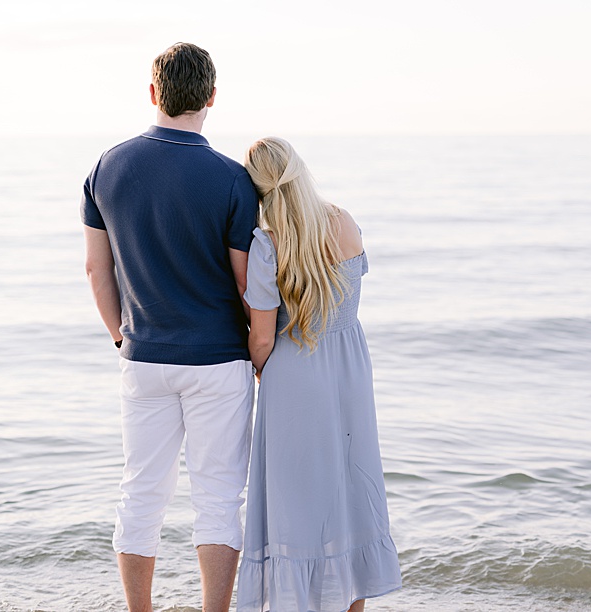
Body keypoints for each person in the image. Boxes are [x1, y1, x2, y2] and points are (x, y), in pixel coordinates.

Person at [82, 42, 258, 612]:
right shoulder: (233, 179)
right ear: (212, 97)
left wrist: (121, 336)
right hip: (220, 360)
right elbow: (246, 284)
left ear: (154, 92)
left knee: (140, 494)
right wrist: (260, 347)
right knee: (218, 499)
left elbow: (96, 268)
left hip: (143, 358)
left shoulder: (107, 167)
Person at [233, 137, 402, 611]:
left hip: (294, 375)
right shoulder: (344, 221)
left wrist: (260, 371)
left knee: (297, 506)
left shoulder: (267, 244)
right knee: (350, 492)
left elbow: (262, 338)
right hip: (350, 371)